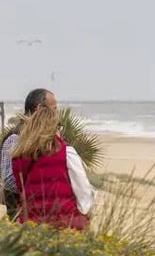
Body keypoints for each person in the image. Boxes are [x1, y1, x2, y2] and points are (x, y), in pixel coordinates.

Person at [10, 97, 95, 230]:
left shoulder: (19, 154)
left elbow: (21, 188)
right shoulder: (66, 152)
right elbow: (83, 191)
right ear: (53, 127)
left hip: (31, 224)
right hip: (64, 223)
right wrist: (84, 214)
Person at [0, 88, 54, 219]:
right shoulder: (16, 137)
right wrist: (37, 188)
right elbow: (8, 181)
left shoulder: (44, 136)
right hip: (20, 217)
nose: (56, 114)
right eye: (54, 108)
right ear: (39, 109)